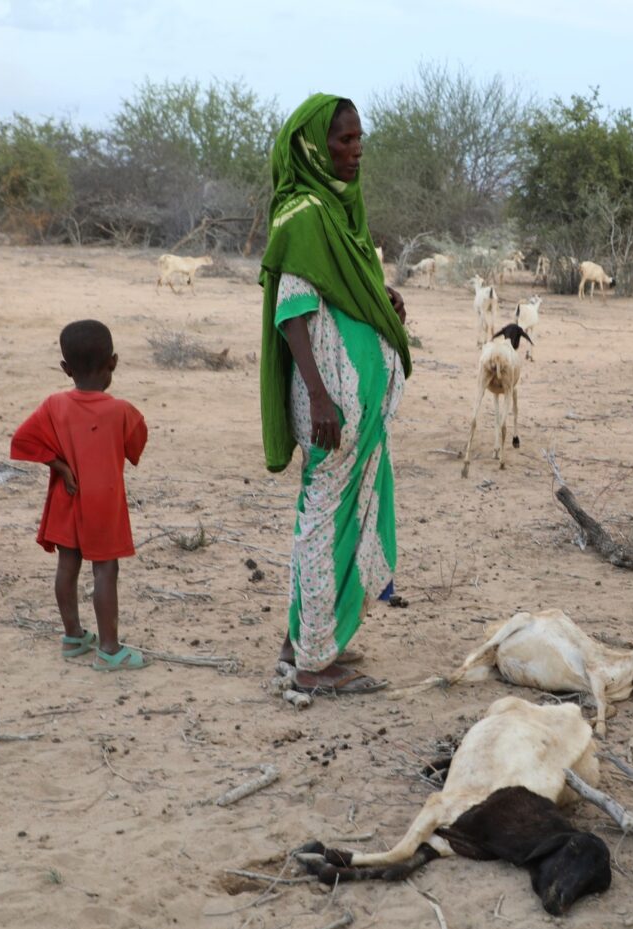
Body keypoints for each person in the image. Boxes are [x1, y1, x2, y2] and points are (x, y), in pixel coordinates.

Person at [259, 94, 411, 694]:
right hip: (330, 405)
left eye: (359, 142)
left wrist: (385, 302)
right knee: (322, 519)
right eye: (343, 142)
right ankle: (313, 668)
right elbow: (292, 310)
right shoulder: (302, 215)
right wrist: (320, 398)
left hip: (355, 403)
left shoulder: (342, 213)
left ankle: (302, 642)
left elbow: (347, 292)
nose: (354, 153)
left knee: (332, 515)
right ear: (312, 147)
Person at [11, 319, 149, 671]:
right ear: (113, 363)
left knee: (67, 564)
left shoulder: (54, 405)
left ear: (65, 368)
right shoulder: (122, 411)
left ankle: (73, 636)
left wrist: (59, 465)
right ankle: (109, 649)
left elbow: (22, 440)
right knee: (105, 570)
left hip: (66, 496)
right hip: (103, 501)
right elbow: (136, 445)